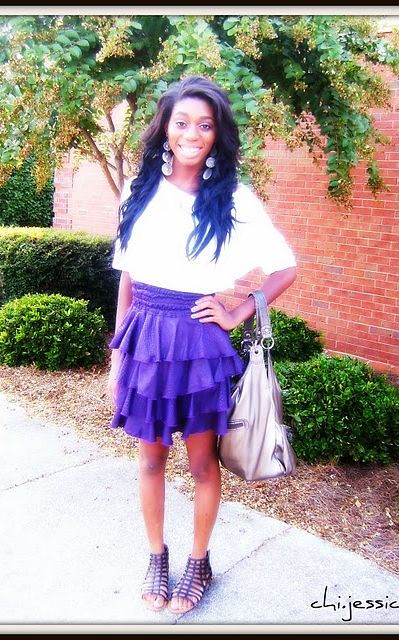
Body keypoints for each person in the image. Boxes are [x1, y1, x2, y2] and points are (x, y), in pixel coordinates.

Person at [108, 75, 297, 615]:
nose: (192, 134)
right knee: (150, 459)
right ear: (165, 129)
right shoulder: (138, 190)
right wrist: (116, 357)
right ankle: (157, 557)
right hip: (145, 336)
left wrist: (237, 312)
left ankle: (198, 562)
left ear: (217, 135)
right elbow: (127, 277)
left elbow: (285, 268)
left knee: (201, 464)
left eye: (205, 125)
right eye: (182, 122)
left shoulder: (235, 199)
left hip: (198, 341)